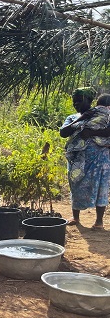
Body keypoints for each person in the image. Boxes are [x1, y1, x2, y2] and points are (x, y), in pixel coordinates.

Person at [60, 88, 109, 229]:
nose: (76, 104)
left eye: (80, 101)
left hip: (100, 159)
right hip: (77, 158)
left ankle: (99, 221)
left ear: (89, 101)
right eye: (74, 101)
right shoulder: (72, 117)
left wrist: (91, 132)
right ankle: (75, 217)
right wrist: (82, 118)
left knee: (101, 186)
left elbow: (108, 130)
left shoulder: (102, 114)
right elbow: (63, 132)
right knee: (75, 183)